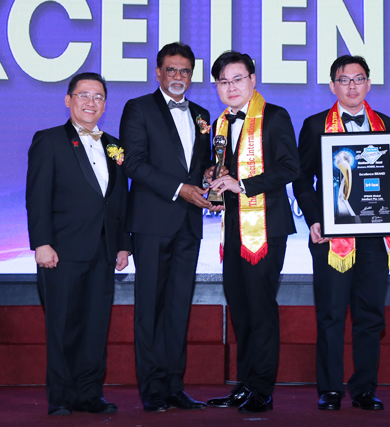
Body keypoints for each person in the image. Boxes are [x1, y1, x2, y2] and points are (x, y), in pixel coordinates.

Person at [292, 55, 390, 411]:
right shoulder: (315, 125)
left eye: (359, 78)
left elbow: (389, 176)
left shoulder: (386, 124)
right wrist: (314, 219)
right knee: (331, 313)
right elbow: (302, 179)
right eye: (344, 80)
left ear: (369, 83)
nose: (352, 86)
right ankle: (330, 388)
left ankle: (364, 388)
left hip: (374, 237)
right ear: (332, 86)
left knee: (370, 315)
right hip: (331, 236)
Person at [26, 72, 131, 416]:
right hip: (62, 250)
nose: (91, 102)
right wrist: (42, 243)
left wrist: (123, 244)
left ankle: (90, 394)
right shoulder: (49, 140)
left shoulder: (114, 145)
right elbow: (37, 197)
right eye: (83, 95)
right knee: (63, 325)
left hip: (103, 250)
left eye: (98, 96)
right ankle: (61, 397)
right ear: (68, 100)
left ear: (105, 104)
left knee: (95, 326)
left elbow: (119, 198)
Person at [119, 42, 211, 412]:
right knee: (150, 307)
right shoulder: (138, 108)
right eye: (171, 69)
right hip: (152, 222)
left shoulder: (203, 114)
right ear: (158, 72)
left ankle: (174, 385)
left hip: (189, 224)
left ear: (192, 75)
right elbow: (133, 164)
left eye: (184, 70)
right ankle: (152, 389)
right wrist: (180, 189)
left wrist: (209, 176)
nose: (177, 76)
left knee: (178, 307)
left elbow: (200, 165)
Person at [205, 51, 299, 413]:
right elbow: (224, 170)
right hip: (232, 227)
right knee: (240, 308)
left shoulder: (274, 116)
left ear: (253, 80)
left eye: (237, 79)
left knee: (260, 307)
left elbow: (289, 168)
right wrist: (212, 177)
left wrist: (242, 184)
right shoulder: (220, 124)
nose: (231, 87)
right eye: (223, 81)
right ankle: (244, 385)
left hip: (266, 227)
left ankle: (262, 389)